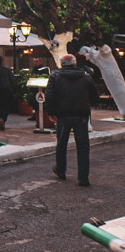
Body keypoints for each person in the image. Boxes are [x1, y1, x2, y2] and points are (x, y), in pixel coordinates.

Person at [45, 54, 98, 186]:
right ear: (74, 63)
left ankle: (61, 169)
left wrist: (51, 112)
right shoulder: (86, 76)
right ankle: (83, 178)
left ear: (62, 64)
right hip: (81, 115)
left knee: (62, 143)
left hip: (63, 114)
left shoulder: (55, 76)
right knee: (83, 146)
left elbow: (49, 95)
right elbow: (95, 97)